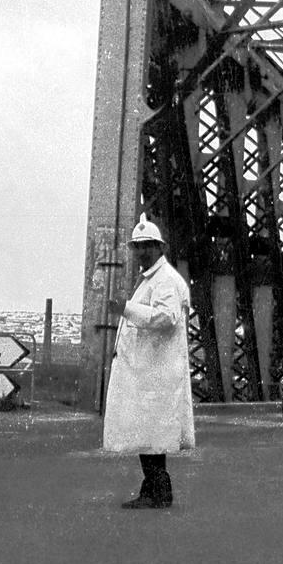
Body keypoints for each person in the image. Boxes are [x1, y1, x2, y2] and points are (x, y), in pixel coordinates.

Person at [102, 213, 195, 509]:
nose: (140, 252)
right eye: (137, 246)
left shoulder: (165, 280)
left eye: (146, 246)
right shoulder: (153, 279)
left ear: (159, 247)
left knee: (151, 434)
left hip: (156, 373)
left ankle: (157, 493)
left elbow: (167, 317)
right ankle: (154, 491)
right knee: (150, 434)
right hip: (149, 371)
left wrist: (127, 309)